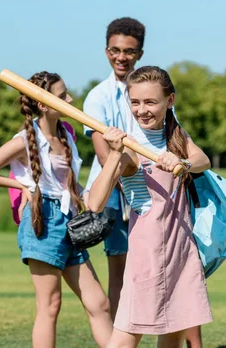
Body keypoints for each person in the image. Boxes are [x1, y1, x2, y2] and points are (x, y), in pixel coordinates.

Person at [0, 71, 113, 348]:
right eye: (63, 97)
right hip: (42, 222)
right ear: (45, 105)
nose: (71, 99)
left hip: (70, 222)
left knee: (99, 302)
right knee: (50, 306)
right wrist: (24, 187)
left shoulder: (66, 133)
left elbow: (67, 182)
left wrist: (84, 194)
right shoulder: (24, 139)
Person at [88, 66, 213, 347]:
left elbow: (202, 159)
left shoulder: (177, 136)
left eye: (150, 102)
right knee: (125, 339)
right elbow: (95, 203)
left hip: (181, 251)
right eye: (135, 102)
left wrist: (183, 163)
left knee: (173, 336)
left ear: (170, 101)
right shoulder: (131, 147)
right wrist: (115, 154)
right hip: (148, 255)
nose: (142, 110)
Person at [82, 17, 145, 321]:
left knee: (156, 265)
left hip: (148, 187)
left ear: (140, 54)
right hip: (112, 192)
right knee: (119, 268)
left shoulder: (150, 91)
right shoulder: (98, 96)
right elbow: (103, 153)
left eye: (129, 51)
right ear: (107, 51)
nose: (122, 57)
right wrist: (126, 180)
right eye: (115, 50)